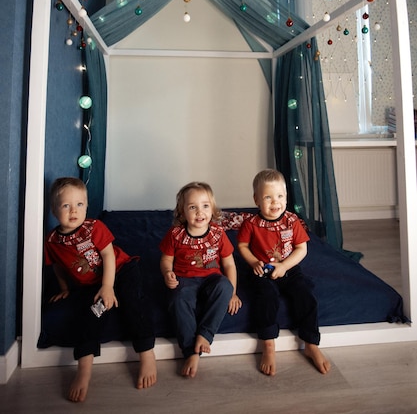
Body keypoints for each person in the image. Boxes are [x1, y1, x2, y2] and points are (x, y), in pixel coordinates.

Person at [44, 177, 157, 402]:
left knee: (132, 302)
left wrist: (108, 286)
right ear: (54, 210)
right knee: (89, 315)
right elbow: (57, 266)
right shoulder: (53, 241)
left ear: (87, 206)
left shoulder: (94, 227)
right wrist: (65, 287)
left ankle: (146, 353)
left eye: (79, 204)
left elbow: (107, 255)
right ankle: (84, 370)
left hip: (121, 270)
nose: (73, 210)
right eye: (66, 205)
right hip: (90, 285)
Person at [237, 168, 331, 377]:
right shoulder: (251, 224)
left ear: (286, 197)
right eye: (268, 197)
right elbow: (242, 246)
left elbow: (302, 249)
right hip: (262, 268)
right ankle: (268, 343)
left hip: (287, 267)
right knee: (266, 296)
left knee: (305, 292)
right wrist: (253, 262)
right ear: (256, 200)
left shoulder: (291, 220)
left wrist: (284, 266)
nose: (275, 202)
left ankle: (310, 343)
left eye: (280, 196)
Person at [159, 181, 242, 378]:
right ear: (182, 212)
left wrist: (233, 293)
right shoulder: (175, 235)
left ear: (212, 209)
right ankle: (191, 351)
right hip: (185, 279)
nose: (199, 212)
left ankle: (205, 334)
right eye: (192, 207)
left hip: (211, 279)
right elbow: (166, 259)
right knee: (177, 299)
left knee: (225, 286)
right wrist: (167, 273)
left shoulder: (218, 234)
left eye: (205, 206)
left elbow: (229, 264)